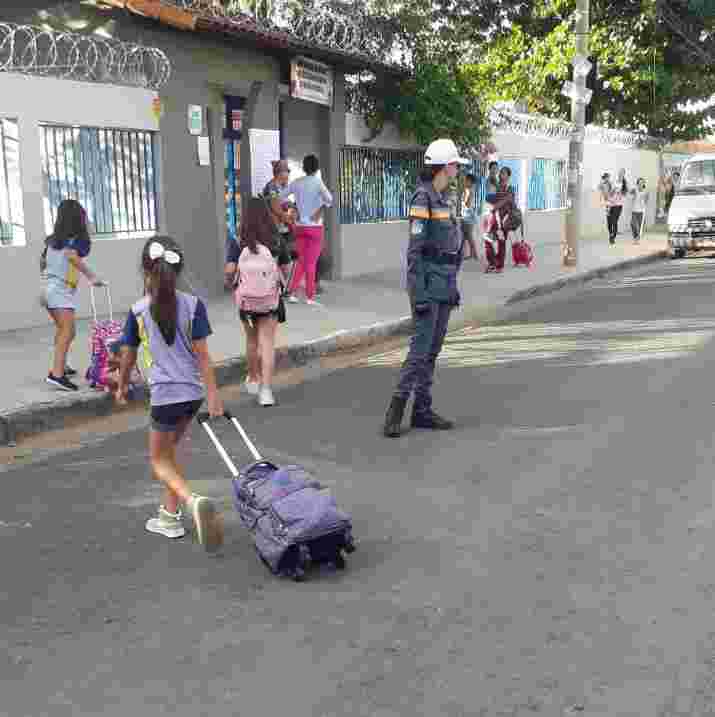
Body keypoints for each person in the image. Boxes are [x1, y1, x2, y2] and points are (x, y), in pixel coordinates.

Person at [115, 236, 224, 552]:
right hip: (192, 395)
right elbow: (203, 355)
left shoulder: (138, 311)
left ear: (145, 271)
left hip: (165, 396)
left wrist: (122, 385)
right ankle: (169, 517)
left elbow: (128, 356)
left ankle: (192, 502)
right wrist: (214, 396)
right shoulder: (193, 304)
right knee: (172, 455)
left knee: (159, 461)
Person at [383, 138, 468, 438]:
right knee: (419, 351)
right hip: (428, 286)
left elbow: (450, 248)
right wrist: (417, 293)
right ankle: (395, 411)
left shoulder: (444, 198)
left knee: (432, 351)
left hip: (444, 284)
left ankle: (422, 410)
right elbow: (415, 252)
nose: (458, 169)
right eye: (456, 164)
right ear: (445, 166)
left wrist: (453, 285)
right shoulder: (423, 199)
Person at [225, 197, 291, 407]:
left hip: (246, 302)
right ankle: (266, 392)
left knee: (251, 340)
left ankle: (252, 378)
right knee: (267, 343)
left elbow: (229, 270)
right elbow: (287, 268)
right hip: (270, 301)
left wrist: (231, 282)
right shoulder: (276, 240)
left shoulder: (239, 241)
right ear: (266, 215)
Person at [41, 198, 104, 391]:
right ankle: (56, 375)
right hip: (59, 291)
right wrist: (92, 277)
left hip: (49, 289)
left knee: (67, 330)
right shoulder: (74, 242)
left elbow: (43, 262)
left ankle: (62, 366)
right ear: (79, 218)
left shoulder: (53, 241)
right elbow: (72, 257)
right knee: (66, 331)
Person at [284, 154, 333, 306]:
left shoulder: (296, 183)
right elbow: (329, 200)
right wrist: (319, 210)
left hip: (299, 228)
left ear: (304, 167)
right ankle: (310, 297)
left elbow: (280, 196)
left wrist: (293, 207)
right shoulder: (318, 183)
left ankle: (292, 293)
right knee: (310, 263)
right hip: (315, 228)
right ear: (317, 168)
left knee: (301, 261)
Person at [460, 173, 479, 260]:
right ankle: (468, 254)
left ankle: (474, 254)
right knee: (464, 236)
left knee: (469, 236)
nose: (464, 182)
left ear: (470, 182)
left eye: (466, 181)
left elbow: (468, 204)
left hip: (468, 216)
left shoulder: (470, 191)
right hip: (466, 215)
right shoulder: (468, 190)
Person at [607, 169, 628, 243]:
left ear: (624, 174)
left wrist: (620, 192)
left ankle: (613, 237)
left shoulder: (624, 184)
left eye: (622, 173)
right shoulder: (614, 182)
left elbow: (625, 194)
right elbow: (610, 193)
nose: (620, 174)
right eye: (619, 173)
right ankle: (611, 234)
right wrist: (613, 190)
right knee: (609, 222)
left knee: (614, 220)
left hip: (618, 205)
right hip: (611, 204)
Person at [630, 177, 649, 242]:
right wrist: (633, 195)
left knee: (641, 226)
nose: (641, 184)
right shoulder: (634, 190)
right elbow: (630, 196)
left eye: (642, 183)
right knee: (633, 224)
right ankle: (635, 236)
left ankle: (637, 238)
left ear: (643, 184)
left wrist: (644, 199)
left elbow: (646, 201)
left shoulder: (646, 191)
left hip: (642, 211)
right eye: (639, 183)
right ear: (637, 184)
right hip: (634, 210)